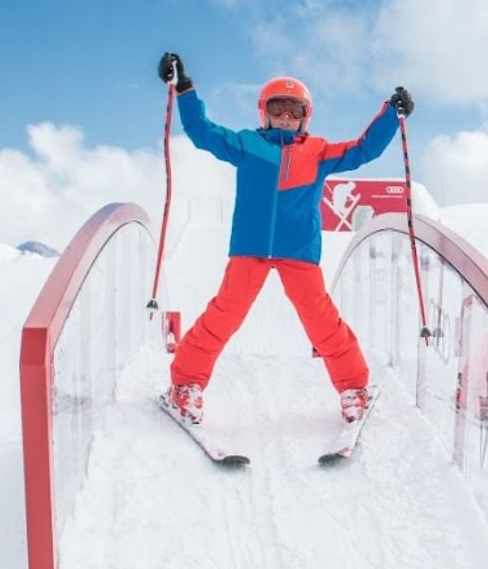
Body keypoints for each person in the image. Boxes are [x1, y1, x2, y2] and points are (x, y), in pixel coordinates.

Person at [154, 52, 414, 425]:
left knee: (321, 320)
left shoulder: (319, 151)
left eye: (294, 111)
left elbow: (364, 150)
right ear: (265, 112)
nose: (286, 117)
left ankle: (353, 388)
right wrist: (184, 88)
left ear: (305, 116)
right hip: (250, 248)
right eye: (279, 109)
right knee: (223, 316)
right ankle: (186, 385)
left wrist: (392, 113)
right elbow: (202, 132)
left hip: (298, 251)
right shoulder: (246, 145)